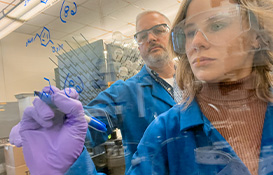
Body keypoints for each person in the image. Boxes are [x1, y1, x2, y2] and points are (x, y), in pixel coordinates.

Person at [127, 0, 273, 174]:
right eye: (190, 32)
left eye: (216, 25)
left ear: (256, 34)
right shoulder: (164, 133)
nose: (196, 42)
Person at [9, 11, 181, 175]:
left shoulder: (196, 80)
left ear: (172, 35)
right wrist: (60, 123)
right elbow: (93, 118)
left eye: (159, 30)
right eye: (142, 36)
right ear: (139, 47)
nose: (150, 38)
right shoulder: (125, 91)